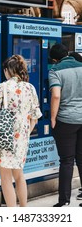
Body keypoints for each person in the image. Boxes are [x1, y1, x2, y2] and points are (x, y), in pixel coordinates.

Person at [0, 54, 42, 207]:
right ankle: (23, 209)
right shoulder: (30, 88)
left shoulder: (3, 87)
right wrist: (24, 134)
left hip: (3, 139)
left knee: (5, 178)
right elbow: (35, 117)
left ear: (8, 70)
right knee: (19, 175)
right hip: (21, 140)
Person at [48, 43, 82, 207]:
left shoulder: (55, 70)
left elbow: (55, 96)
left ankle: (64, 201)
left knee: (67, 161)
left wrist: (53, 118)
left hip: (66, 120)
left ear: (54, 59)